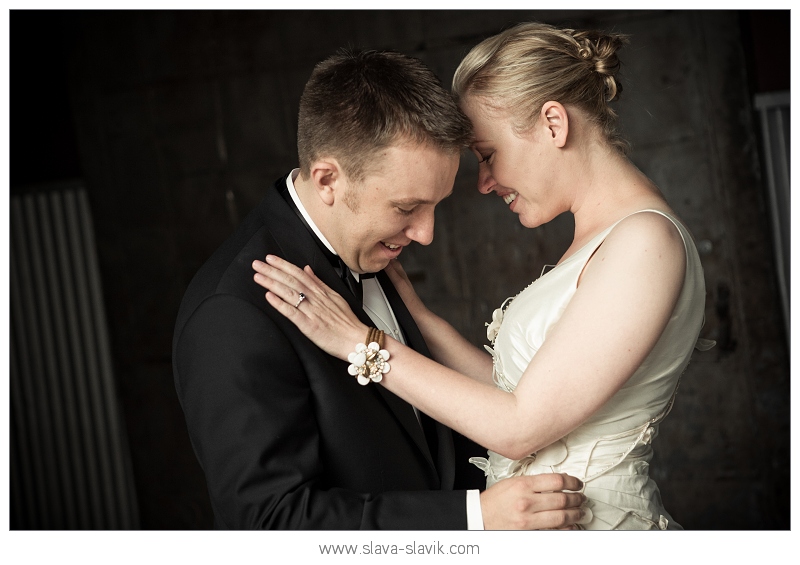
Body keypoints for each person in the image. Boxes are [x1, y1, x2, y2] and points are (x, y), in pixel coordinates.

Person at [252, 22, 715, 530]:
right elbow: (516, 392)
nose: (485, 183)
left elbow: (520, 428)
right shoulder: (608, 237)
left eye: (488, 155)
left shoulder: (645, 243)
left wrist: (363, 345)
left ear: (553, 124)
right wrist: (418, 317)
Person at [173, 47, 586, 530]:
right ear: (328, 179)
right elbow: (271, 524)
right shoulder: (233, 311)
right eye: (406, 207)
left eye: (436, 206)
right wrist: (472, 516)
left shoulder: (369, 250)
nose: (426, 234)